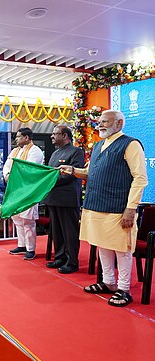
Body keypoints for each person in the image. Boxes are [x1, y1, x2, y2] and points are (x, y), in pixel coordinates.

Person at [60, 109, 147, 307]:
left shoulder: (130, 144)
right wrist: (73, 171)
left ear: (119, 124)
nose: (101, 125)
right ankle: (108, 282)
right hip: (95, 206)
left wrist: (131, 208)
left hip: (118, 208)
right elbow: (90, 173)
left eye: (106, 121)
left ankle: (124, 289)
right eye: (100, 121)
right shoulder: (99, 145)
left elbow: (140, 178)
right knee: (103, 245)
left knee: (121, 249)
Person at [41, 125, 85, 274]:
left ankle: (72, 261)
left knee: (70, 231)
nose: (52, 136)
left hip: (67, 198)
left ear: (65, 135)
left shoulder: (76, 152)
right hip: (53, 198)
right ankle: (60, 257)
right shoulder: (55, 154)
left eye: (55, 134)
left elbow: (72, 174)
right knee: (57, 231)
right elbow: (50, 173)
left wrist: (49, 180)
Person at [3, 127, 44, 260]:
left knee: (28, 220)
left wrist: (14, 176)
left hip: (28, 190)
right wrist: (8, 175)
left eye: (19, 137)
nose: (16, 139)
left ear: (26, 138)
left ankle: (30, 249)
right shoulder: (15, 151)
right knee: (17, 218)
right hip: (15, 189)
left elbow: (29, 169)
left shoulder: (35, 151)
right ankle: (21, 245)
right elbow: (7, 166)